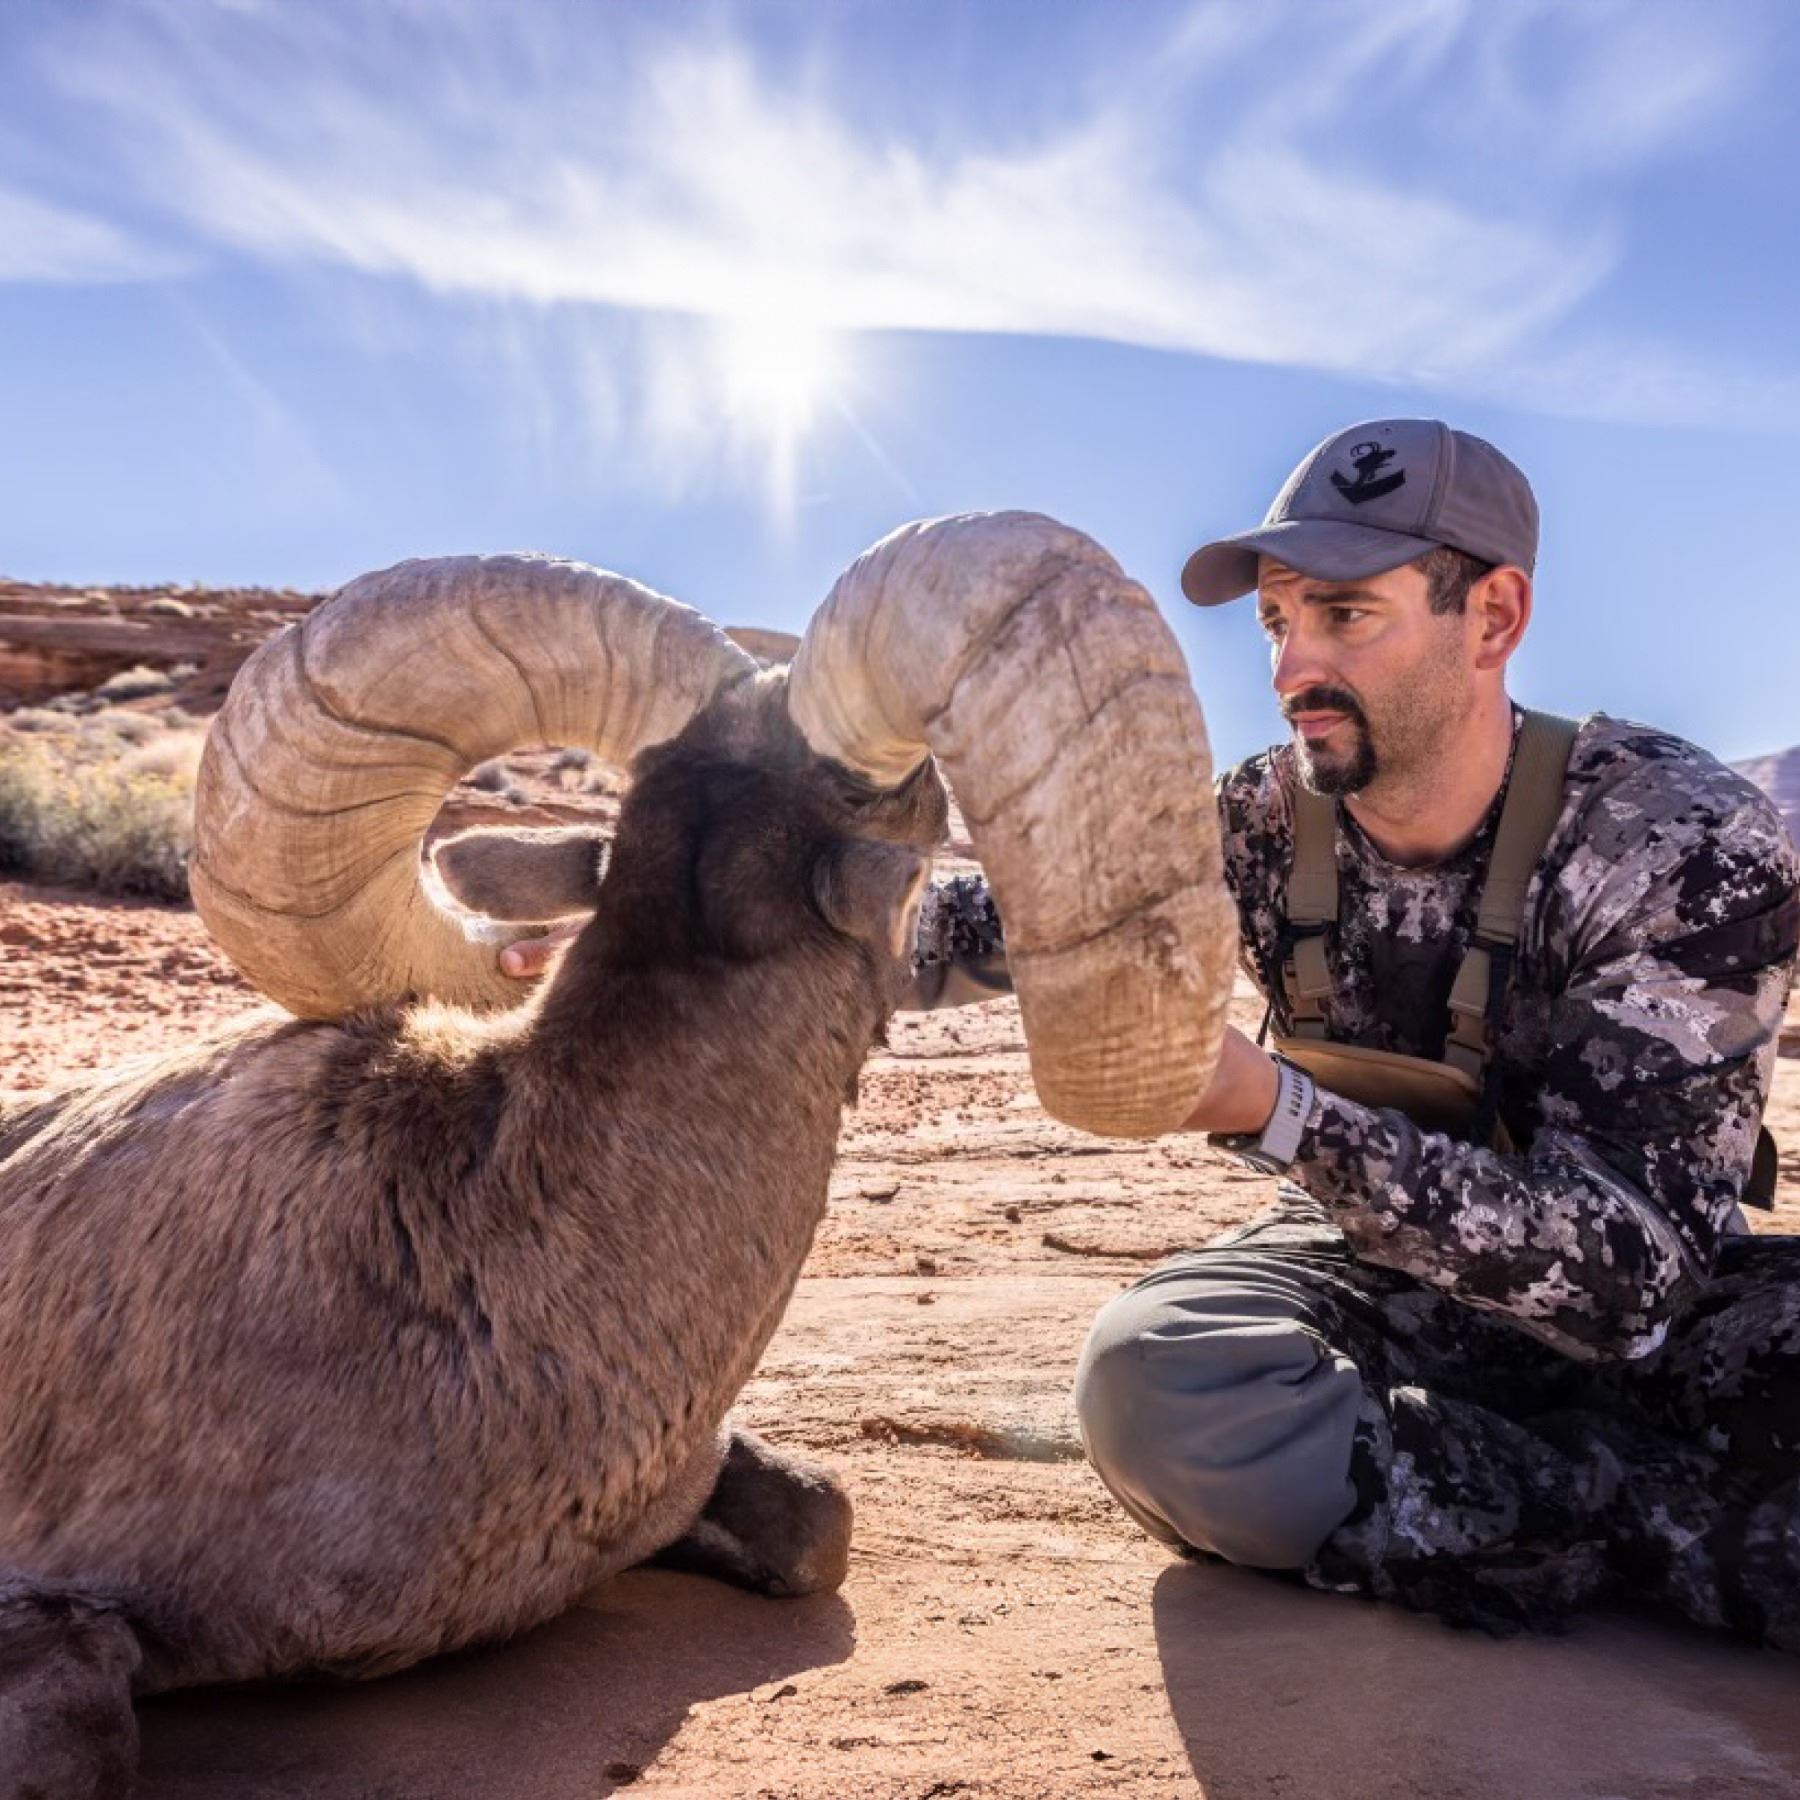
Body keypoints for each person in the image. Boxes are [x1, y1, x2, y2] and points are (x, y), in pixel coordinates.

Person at [505, 420, 1800, 1644]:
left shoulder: (1676, 841)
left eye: (1346, 616)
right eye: (1279, 621)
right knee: (1156, 1387)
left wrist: (1280, 1113)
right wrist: (658, 919)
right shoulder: (1259, 820)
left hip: (1630, 1304)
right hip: (1364, 1270)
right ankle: (1674, 1523)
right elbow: (988, 926)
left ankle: (1513, 1492)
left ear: (1495, 617)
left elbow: (1635, 1275)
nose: (1292, 670)